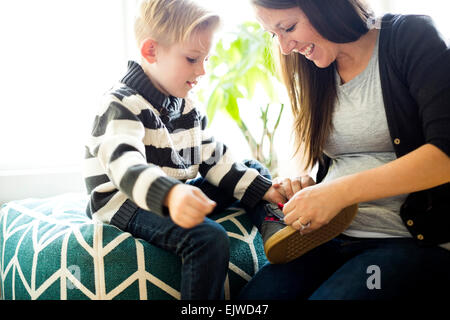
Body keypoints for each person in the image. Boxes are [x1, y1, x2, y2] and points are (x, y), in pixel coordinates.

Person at [238, 0, 450, 300]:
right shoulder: (312, 66)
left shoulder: (411, 36)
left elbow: (445, 154)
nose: (284, 48)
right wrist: (304, 186)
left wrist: (338, 192)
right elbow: (327, 163)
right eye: (274, 34)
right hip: (327, 238)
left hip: (406, 241)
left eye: (288, 27)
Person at [82, 0, 286, 300]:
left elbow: (211, 155)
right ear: (151, 51)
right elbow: (126, 168)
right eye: (192, 58)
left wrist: (264, 190)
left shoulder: (186, 104)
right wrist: (171, 195)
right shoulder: (121, 104)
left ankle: (275, 230)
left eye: (206, 59)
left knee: (254, 172)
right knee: (208, 238)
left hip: (175, 192)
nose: (202, 70)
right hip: (126, 202)